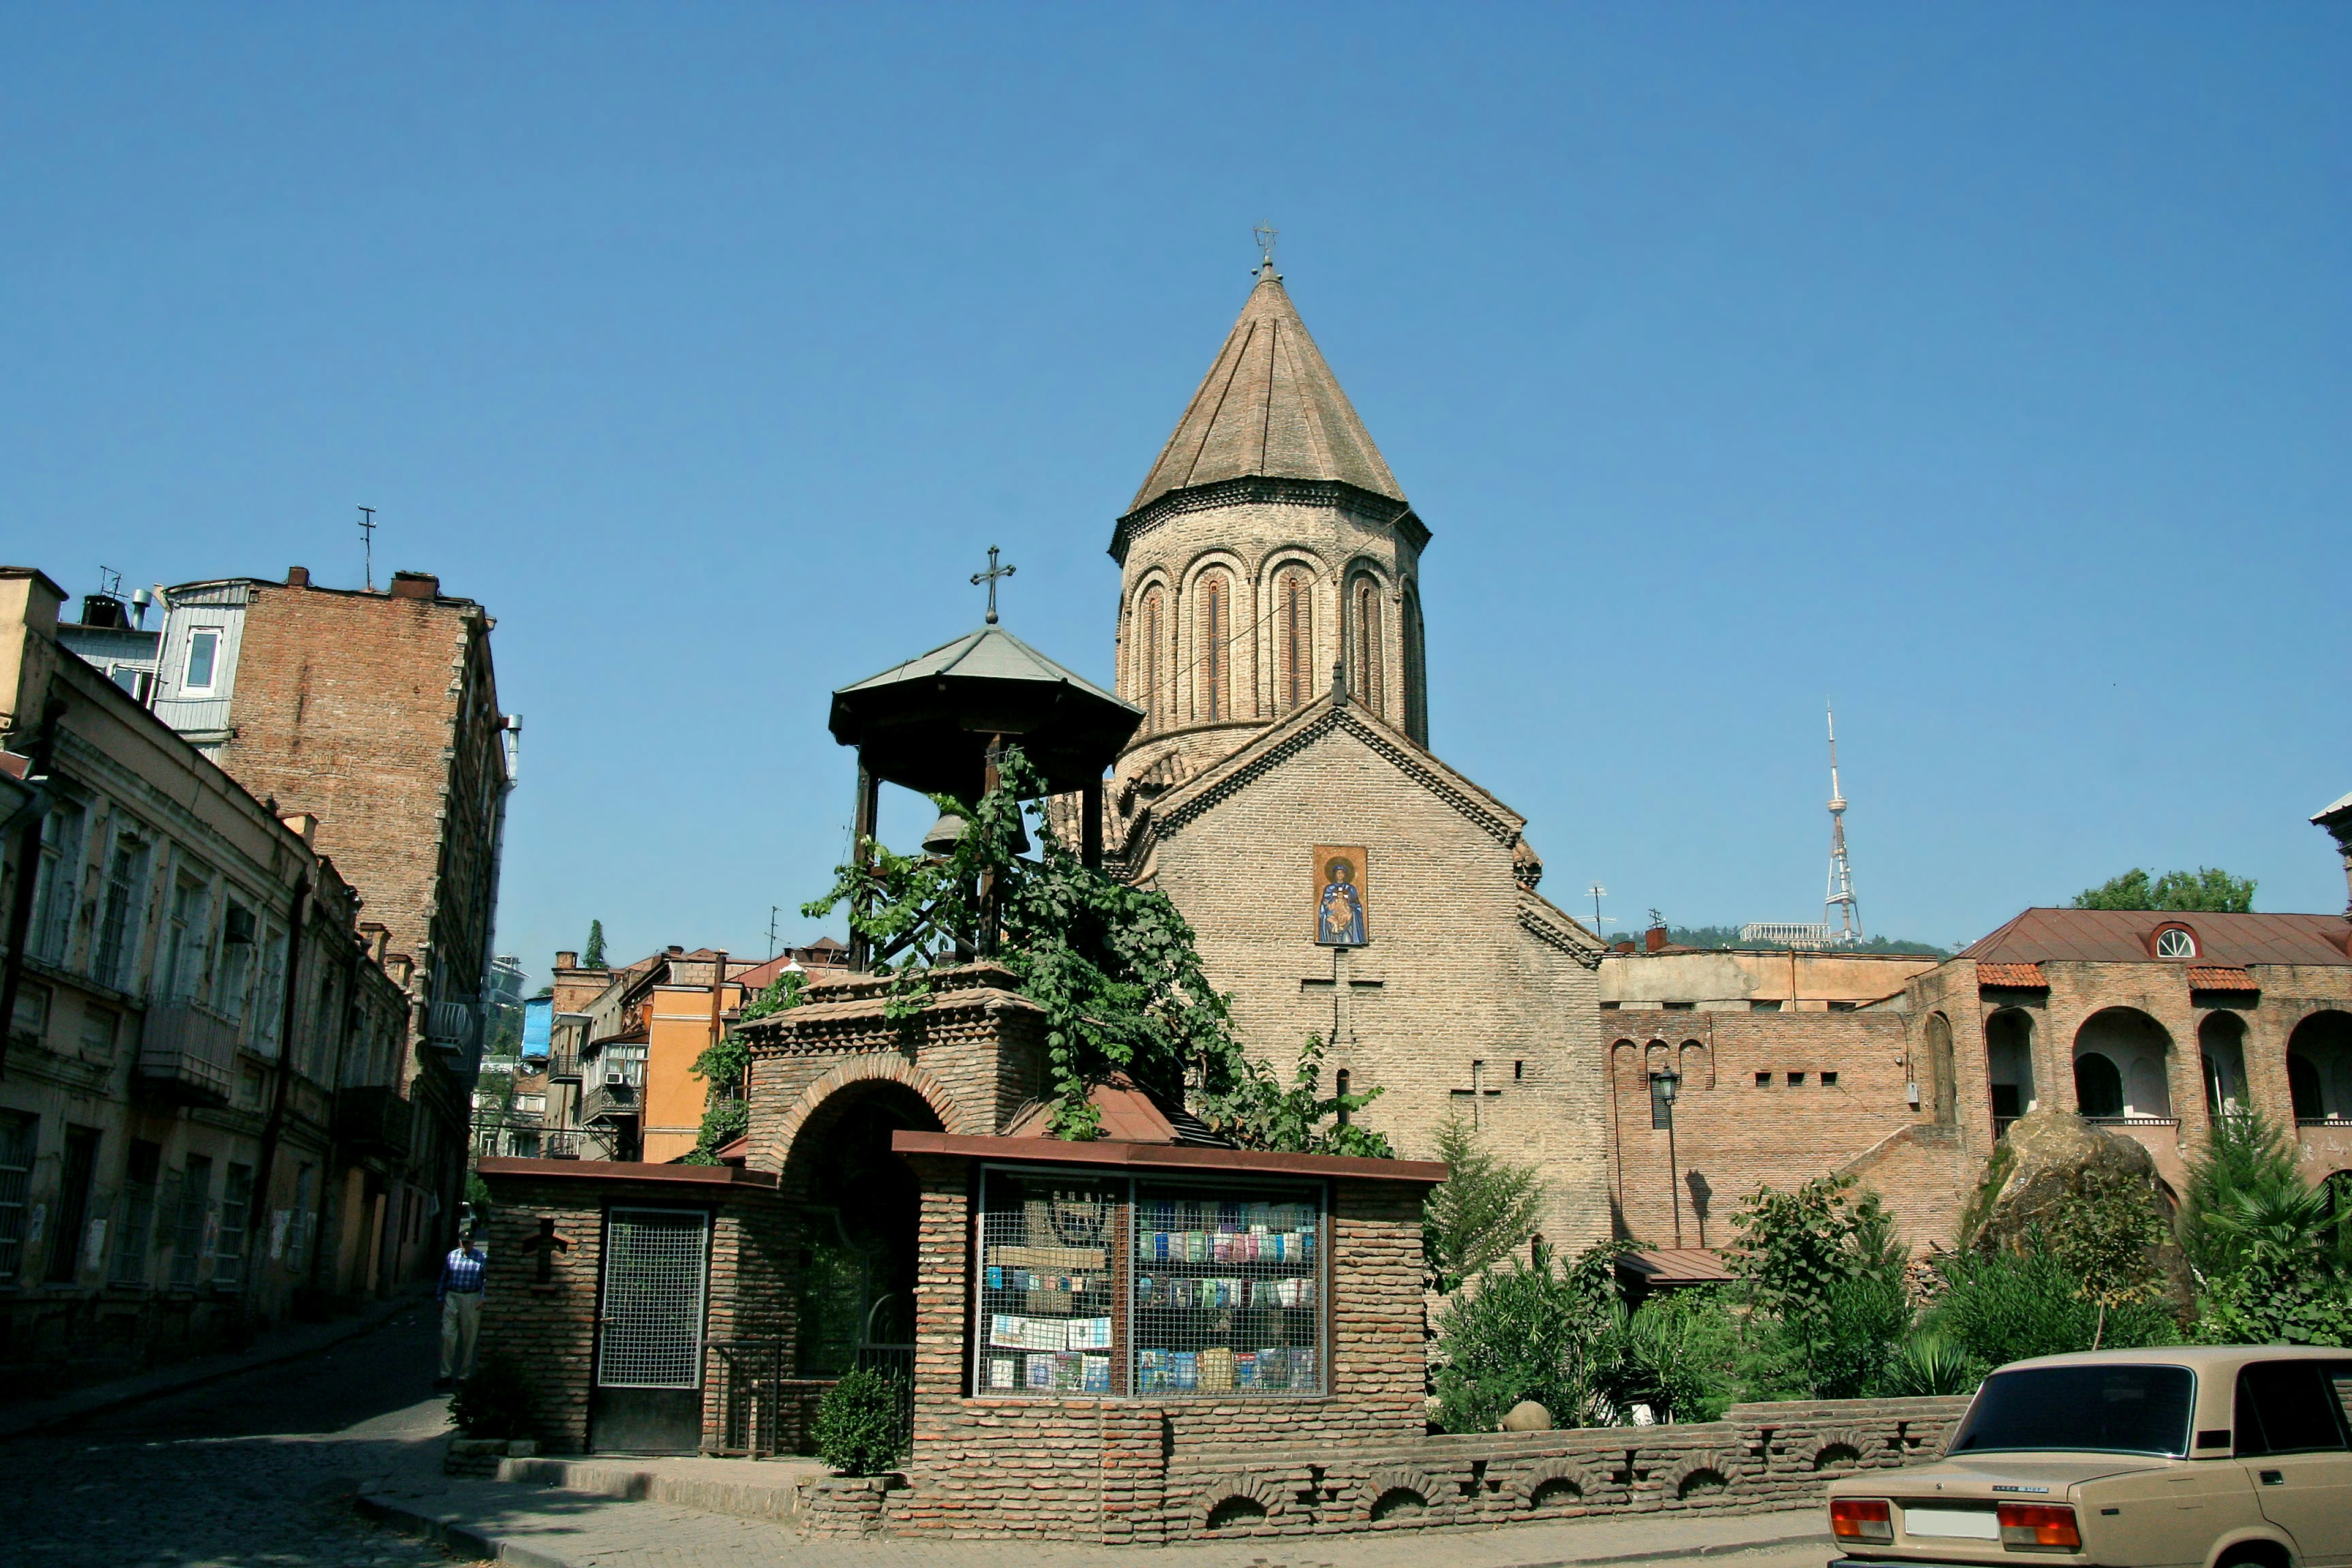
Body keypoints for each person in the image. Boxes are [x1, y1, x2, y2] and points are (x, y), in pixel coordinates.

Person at [435, 1231, 488, 1388]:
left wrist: (482, 1298)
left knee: (469, 1338)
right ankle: (445, 1374)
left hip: (471, 1297)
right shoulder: (452, 1256)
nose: (465, 1245)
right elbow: (444, 1277)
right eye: (463, 1242)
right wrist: (440, 1298)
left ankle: (463, 1376)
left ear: (473, 1242)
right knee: (447, 1336)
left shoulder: (481, 1258)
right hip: (453, 1296)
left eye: (468, 1242)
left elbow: (485, 1279)